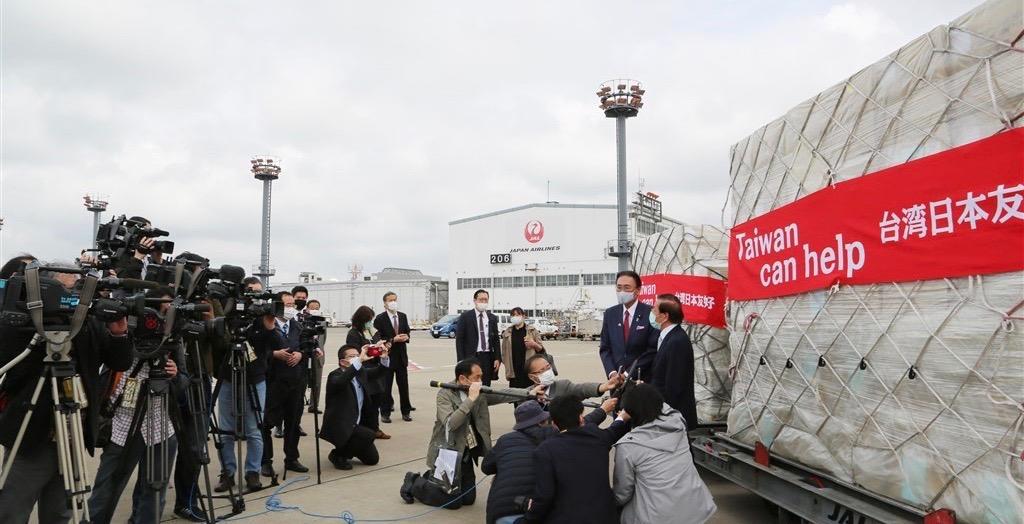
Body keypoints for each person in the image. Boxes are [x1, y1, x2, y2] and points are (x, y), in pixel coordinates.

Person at [0, 257, 133, 524]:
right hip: (32, 434)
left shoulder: (88, 321)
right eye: (67, 288)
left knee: (61, 513)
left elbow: (119, 362)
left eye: (77, 288)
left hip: (73, 433)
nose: (73, 296)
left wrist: (119, 332)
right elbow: (10, 365)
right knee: (11, 511)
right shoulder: (24, 322)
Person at [88, 287, 189, 524]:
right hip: (123, 423)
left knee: (154, 490)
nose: (160, 316)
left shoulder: (172, 340)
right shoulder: (123, 333)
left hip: (161, 426)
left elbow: (185, 381)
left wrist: (175, 375)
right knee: (107, 486)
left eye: (167, 308)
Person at [403, 359, 542, 507]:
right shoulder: (445, 394)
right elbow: (451, 424)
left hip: (465, 454)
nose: (480, 381)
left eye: (481, 376)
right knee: (453, 503)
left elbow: (503, 394)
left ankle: (432, 478)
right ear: (463, 378)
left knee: (468, 500)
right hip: (448, 452)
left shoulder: (479, 392)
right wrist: (470, 399)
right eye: (477, 377)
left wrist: (529, 393)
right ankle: (414, 482)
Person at [481, 398, 617, 524]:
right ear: (542, 422)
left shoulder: (506, 440)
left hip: (501, 513)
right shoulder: (555, 436)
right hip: (535, 513)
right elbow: (577, 422)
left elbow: (486, 467)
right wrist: (603, 410)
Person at [612, 384, 716, 524]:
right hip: (695, 510)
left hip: (657, 518)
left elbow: (622, 494)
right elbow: (665, 407)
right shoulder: (678, 424)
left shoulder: (629, 446)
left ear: (631, 414)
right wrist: (646, 392)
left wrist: (621, 418)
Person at [212, 279, 278, 495]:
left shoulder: (261, 320)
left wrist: (269, 324)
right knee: (225, 430)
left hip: (255, 378)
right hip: (228, 377)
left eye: (259, 294)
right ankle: (228, 472)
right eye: (251, 292)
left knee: (254, 429)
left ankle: (252, 472)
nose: (255, 297)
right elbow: (216, 342)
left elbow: (278, 344)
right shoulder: (228, 313)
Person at [525, 396, 630, 524]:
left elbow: (544, 495)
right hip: (603, 517)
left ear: (554, 424)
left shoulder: (545, 450)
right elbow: (614, 430)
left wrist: (529, 519)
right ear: (581, 418)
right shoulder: (597, 438)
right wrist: (622, 417)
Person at [260, 291, 310, 476]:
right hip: (273, 382)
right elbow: (256, 352)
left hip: (296, 382)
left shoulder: (298, 326)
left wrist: (301, 354)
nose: (290, 308)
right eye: (286, 305)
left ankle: (291, 458)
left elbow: (307, 348)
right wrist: (274, 354)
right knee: (267, 424)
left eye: (292, 305)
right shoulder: (267, 327)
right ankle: (266, 461)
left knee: (293, 423)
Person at [320, 344, 390, 470]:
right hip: (341, 425)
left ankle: (349, 448)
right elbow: (343, 380)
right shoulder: (334, 376)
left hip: (357, 424)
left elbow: (379, 372)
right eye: (352, 356)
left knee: (372, 460)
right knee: (369, 435)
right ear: (342, 361)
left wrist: (384, 358)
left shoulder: (360, 373)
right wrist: (359, 361)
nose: (357, 358)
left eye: (358, 355)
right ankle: (338, 455)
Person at [649, 293, 699, 430]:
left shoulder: (677, 341)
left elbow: (674, 386)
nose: (651, 312)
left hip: (673, 418)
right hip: (667, 415)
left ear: (664, 316)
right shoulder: (667, 337)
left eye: (654, 309)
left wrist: (662, 415)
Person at [599, 270, 659, 378]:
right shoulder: (610, 314)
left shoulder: (650, 313)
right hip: (615, 382)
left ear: (638, 290)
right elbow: (605, 348)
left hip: (642, 380)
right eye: (619, 287)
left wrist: (627, 374)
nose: (622, 291)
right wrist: (612, 373)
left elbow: (652, 349)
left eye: (627, 288)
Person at [347, 305, 389, 439]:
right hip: (364, 370)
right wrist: (370, 349)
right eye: (368, 320)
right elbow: (355, 352)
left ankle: (374, 427)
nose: (370, 322)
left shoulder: (369, 331)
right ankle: (370, 428)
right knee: (369, 401)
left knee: (376, 399)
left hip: (374, 368)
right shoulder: (353, 333)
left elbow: (376, 341)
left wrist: (380, 346)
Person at [373, 292, 414, 423]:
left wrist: (407, 337)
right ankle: (385, 413)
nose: (393, 302)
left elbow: (407, 330)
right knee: (386, 387)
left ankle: (406, 411)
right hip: (388, 356)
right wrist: (393, 339)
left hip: (401, 357)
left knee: (403, 386)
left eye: (395, 300)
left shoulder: (402, 316)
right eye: (390, 300)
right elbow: (378, 338)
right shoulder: (380, 319)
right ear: (385, 303)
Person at [523, 354, 622, 405]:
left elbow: (581, 389)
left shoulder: (563, 386)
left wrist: (603, 387)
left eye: (548, 367)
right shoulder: (525, 395)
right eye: (542, 370)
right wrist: (531, 395)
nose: (547, 372)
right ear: (532, 377)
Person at [455, 289, 500, 386]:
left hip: (487, 357)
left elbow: (496, 339)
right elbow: (460, 340)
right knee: (472, 384)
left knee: (486, 384)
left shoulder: (491, 317)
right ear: (475, 300)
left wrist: (497, 357)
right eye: (481, 299)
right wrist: (461, 360)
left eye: (486, 300)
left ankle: (484, 401)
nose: (483, 302)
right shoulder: (465, 316)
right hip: (472, 356)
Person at [499, 307, 545, 389]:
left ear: (523, 316)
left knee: (530, 396)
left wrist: (534, 344)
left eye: (518, 314)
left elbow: (541, 351)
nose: (515, 317)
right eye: (513, 315)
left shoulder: (532, 331)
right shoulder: (507, 332)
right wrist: (507, 365)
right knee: (516, 397)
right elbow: (503, 353)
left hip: (529, 371)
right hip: (514, 371)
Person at [302, 297, 327, 415]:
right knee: (302, 381)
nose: (315, 310)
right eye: (312, 308)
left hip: (318, 356)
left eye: (317, 308)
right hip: (304, 354)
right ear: (307, 309)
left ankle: (314, 405)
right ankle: (299, 403)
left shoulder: (322, 322)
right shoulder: (302, 320)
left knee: (317, 382)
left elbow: (323, 338)